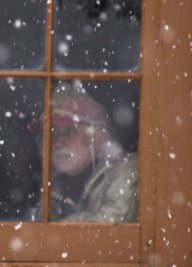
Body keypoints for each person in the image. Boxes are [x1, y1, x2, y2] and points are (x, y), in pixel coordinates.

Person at [30, 83, 138, 223]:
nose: (58, 142)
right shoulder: (56, 182)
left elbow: (108, 227)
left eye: (70, 131)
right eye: (53, 133)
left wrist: (52, 231)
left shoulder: (126, 170)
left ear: (97, 139)